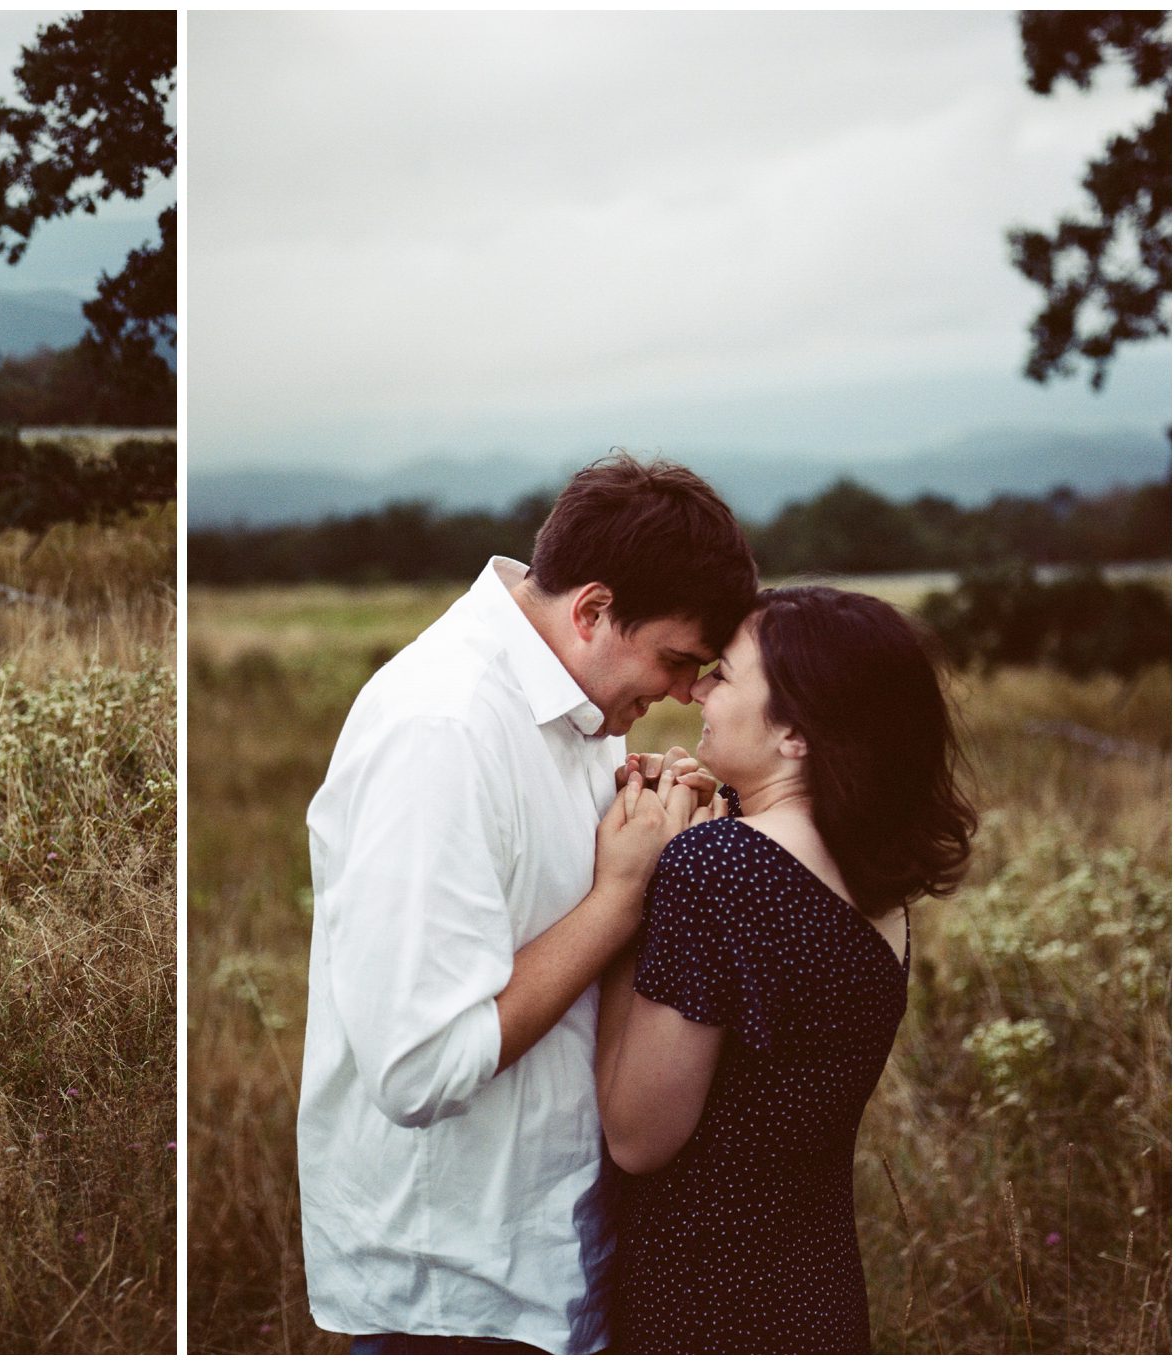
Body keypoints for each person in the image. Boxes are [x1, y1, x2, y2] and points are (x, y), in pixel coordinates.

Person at [297, 454, 757, 1353]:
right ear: (592, 610)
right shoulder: (443, 728)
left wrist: (661, 834)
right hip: (455, 1297)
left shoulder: (576, 704)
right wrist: (619, 898)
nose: (683, 691)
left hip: (554, 1265)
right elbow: (419, 1067)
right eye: (675, 659)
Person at [595, 586, 977, 1351]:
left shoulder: (718, 866)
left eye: (724, 674)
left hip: (703, 1308)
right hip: (816, 1299)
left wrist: (630, 896)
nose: (696, 688)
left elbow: (636, 1138)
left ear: (797, 730)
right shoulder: (872, 881)